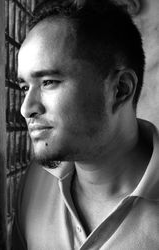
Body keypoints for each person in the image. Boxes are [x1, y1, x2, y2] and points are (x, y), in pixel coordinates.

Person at [12, 0, 159, 249]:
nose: (26, 108)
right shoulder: (37, 183)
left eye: (48, 82)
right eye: (25, 87)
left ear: (120, 89)